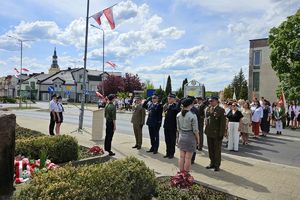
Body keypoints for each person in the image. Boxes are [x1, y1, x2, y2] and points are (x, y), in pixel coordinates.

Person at [176, 98, 199, 172]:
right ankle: (185, 175)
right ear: (190, 105)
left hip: (181, 136)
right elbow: (195, 130)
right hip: (190, 137)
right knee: (188, 158)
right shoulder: (193, 115)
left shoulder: (178, 114)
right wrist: (198, 140)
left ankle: (180, 173)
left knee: (181, 157)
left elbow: (178, 128)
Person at [204, 96, 226, 171]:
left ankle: (217, 165)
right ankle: (212, 163)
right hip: (209, 132)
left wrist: (221, 134)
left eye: (212, 101)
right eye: (209, 101)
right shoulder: (208, 109)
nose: (210, 102)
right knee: (210, 149)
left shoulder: (221, 110)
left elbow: (223, 124)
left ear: (216, 101)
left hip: (217, 134)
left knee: (217, 150)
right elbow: (207, 121)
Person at [163, 94, 181, 159]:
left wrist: (177, 101)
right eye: (168, 98)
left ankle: (171, 154)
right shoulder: (167, 105)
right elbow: (164, 112)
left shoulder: (175, 106)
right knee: (167, 140)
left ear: (174, 99)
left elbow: (177, 109)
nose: (168, 100)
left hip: (173, 126)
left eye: (170, 98)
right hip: (166, 126)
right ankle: (167, 153)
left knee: (172, 141)